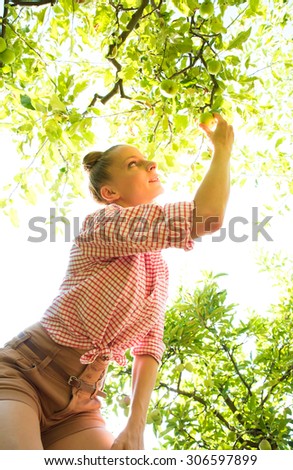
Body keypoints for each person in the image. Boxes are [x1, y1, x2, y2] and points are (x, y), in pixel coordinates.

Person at [0, 113, 234, 450]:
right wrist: (222, 151)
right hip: (26, 374)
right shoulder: (102, 225)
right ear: (110, 192)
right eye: (134, 164)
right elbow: (206, 217)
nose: (151, 163)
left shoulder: (157, 269)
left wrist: (135, 425)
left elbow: (149, 347)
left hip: (80, 404)